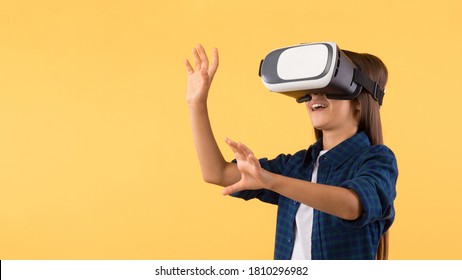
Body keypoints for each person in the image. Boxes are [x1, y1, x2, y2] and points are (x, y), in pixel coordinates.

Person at [185, 44, 398, 260]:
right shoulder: (296, 166)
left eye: (328, 86)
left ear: (358, 101)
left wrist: (273, 181)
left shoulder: (378, 160)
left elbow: (352, 205)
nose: (314, 95)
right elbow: (216, 173)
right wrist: (197, 104)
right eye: (311, 88)